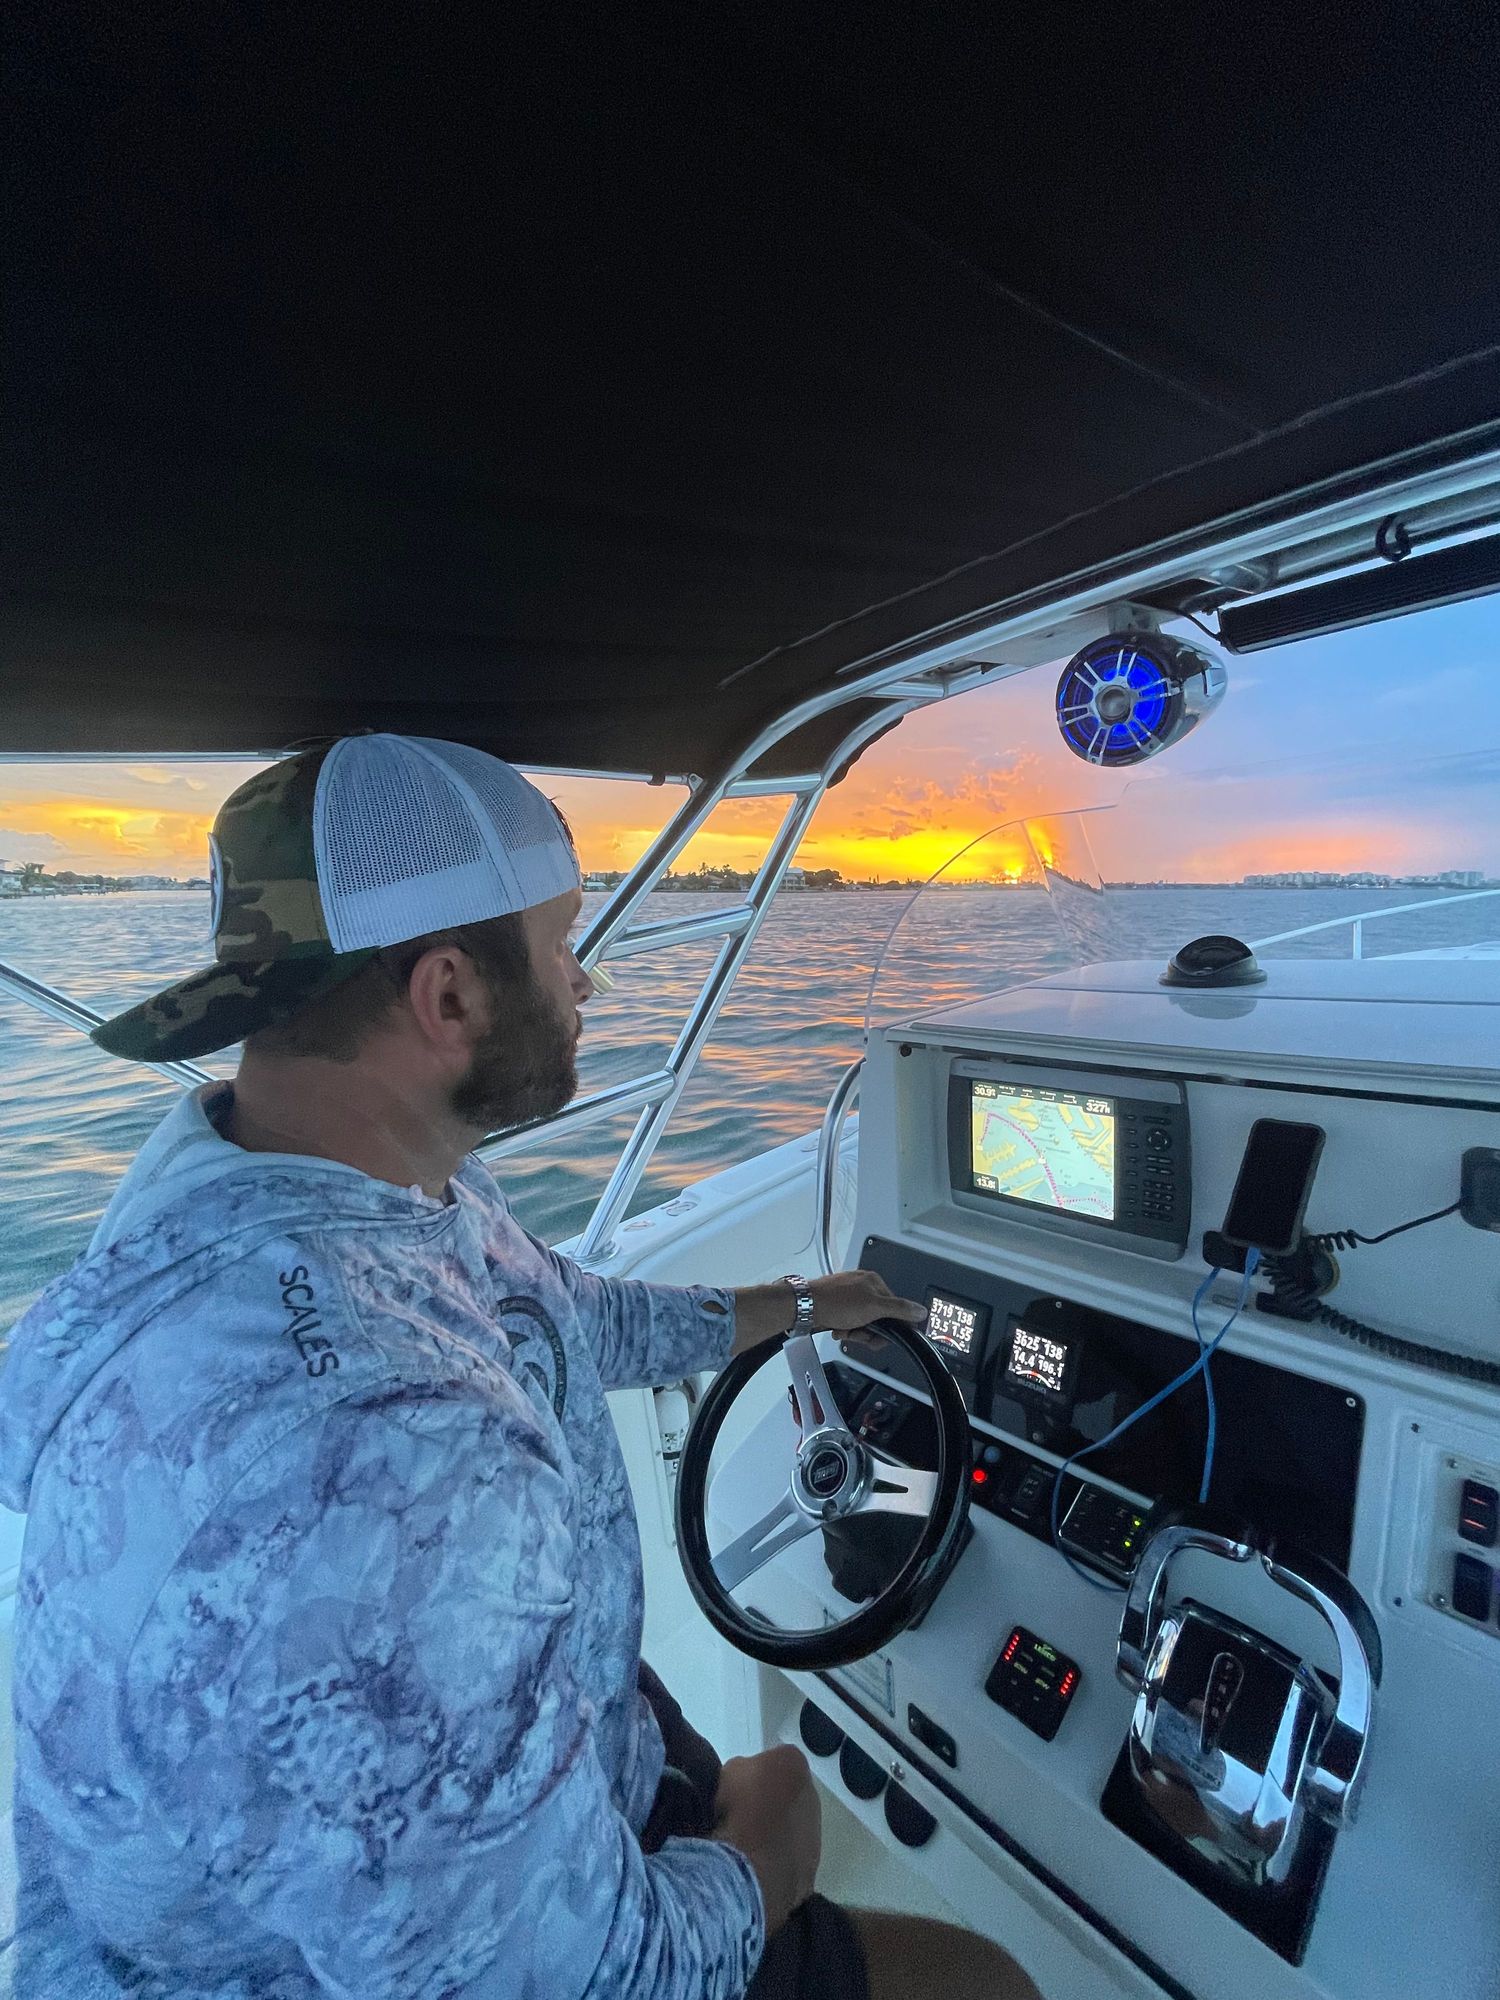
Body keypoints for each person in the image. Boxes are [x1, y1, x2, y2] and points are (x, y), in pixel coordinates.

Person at [0, 734, 1040, 2000]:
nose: (586, 977)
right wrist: (769, 1853)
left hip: (539, 1755)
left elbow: (557, 1312)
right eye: (561, 941)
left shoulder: (319, 1175)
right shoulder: (380, 1459)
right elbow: (583, 1980)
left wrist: (799, 1305)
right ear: (449, 994)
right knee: (986, 1983)